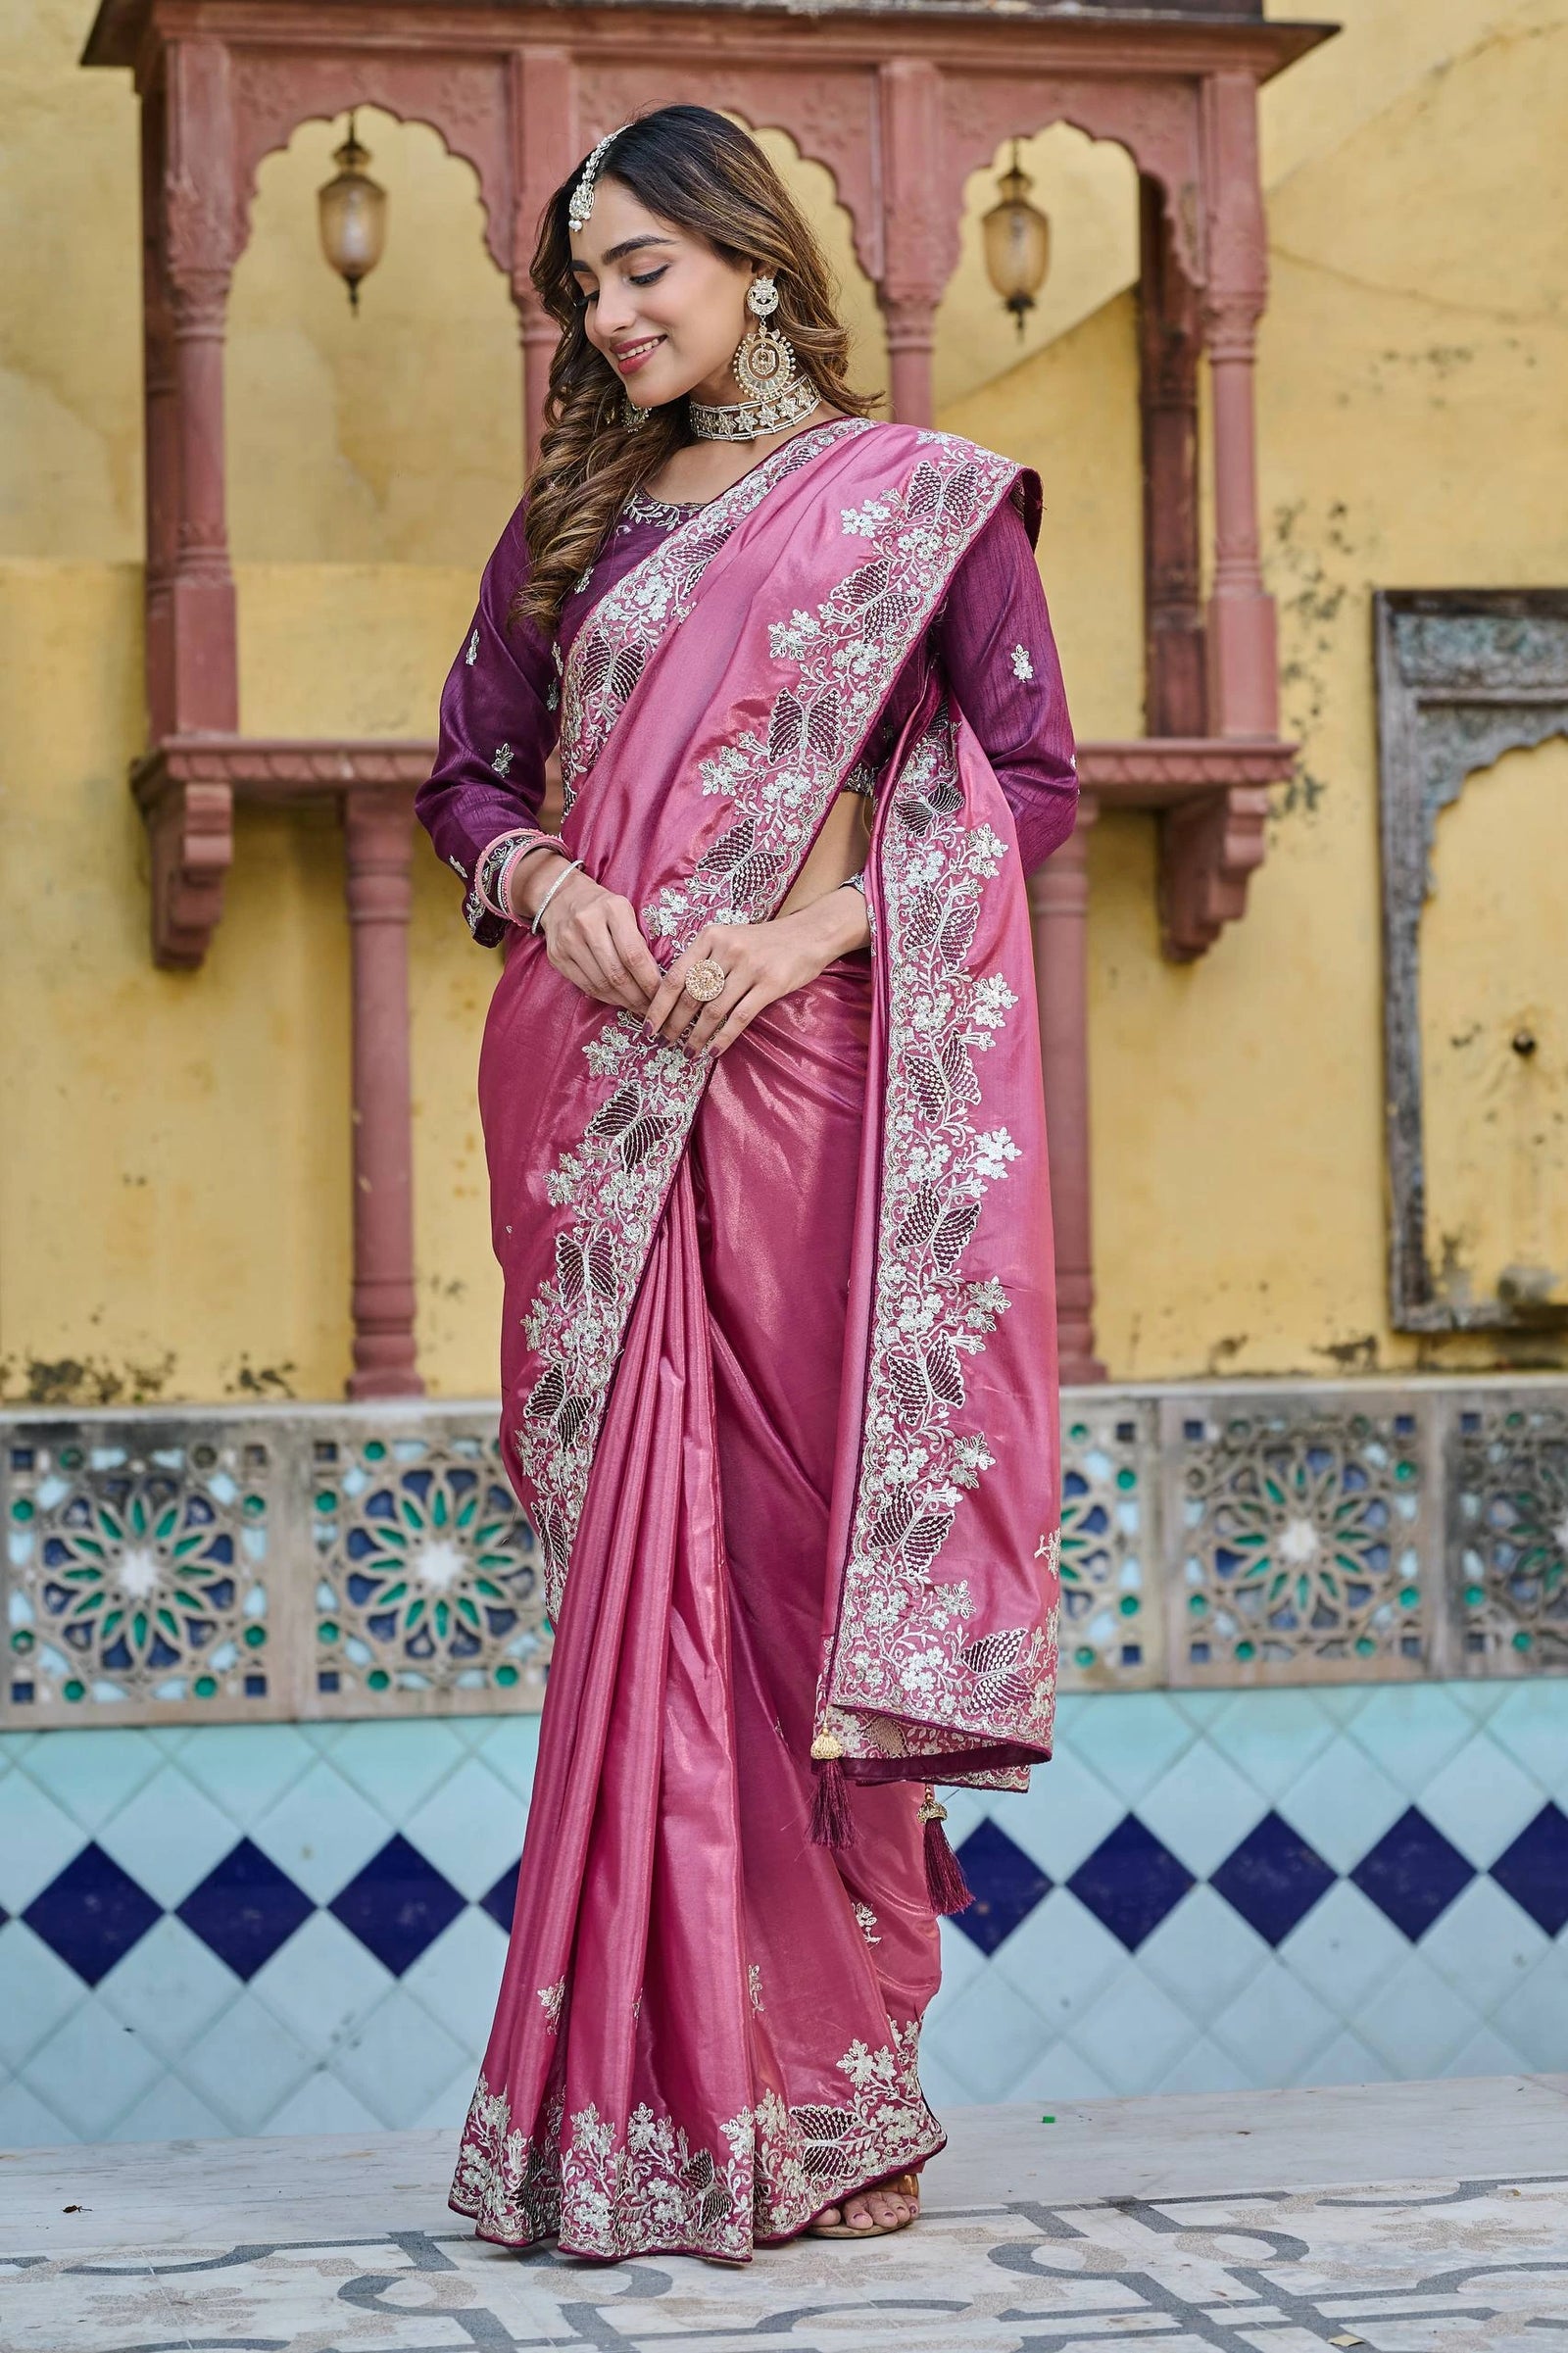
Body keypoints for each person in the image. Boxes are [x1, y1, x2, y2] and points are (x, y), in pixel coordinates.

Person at [415, 104, 1077, 2265]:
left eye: (639, 273)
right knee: (650, 1596)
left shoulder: (917, 505)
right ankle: (628, 2116)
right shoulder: (569, 529)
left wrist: (800, 937)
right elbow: (467, 775)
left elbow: (1027, 784)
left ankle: (823, 2087)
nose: (608, 320)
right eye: (582, 289)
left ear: (751, 262)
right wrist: (538, 881)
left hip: (815, 1118)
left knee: (798, 1591)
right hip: (613, 1106)